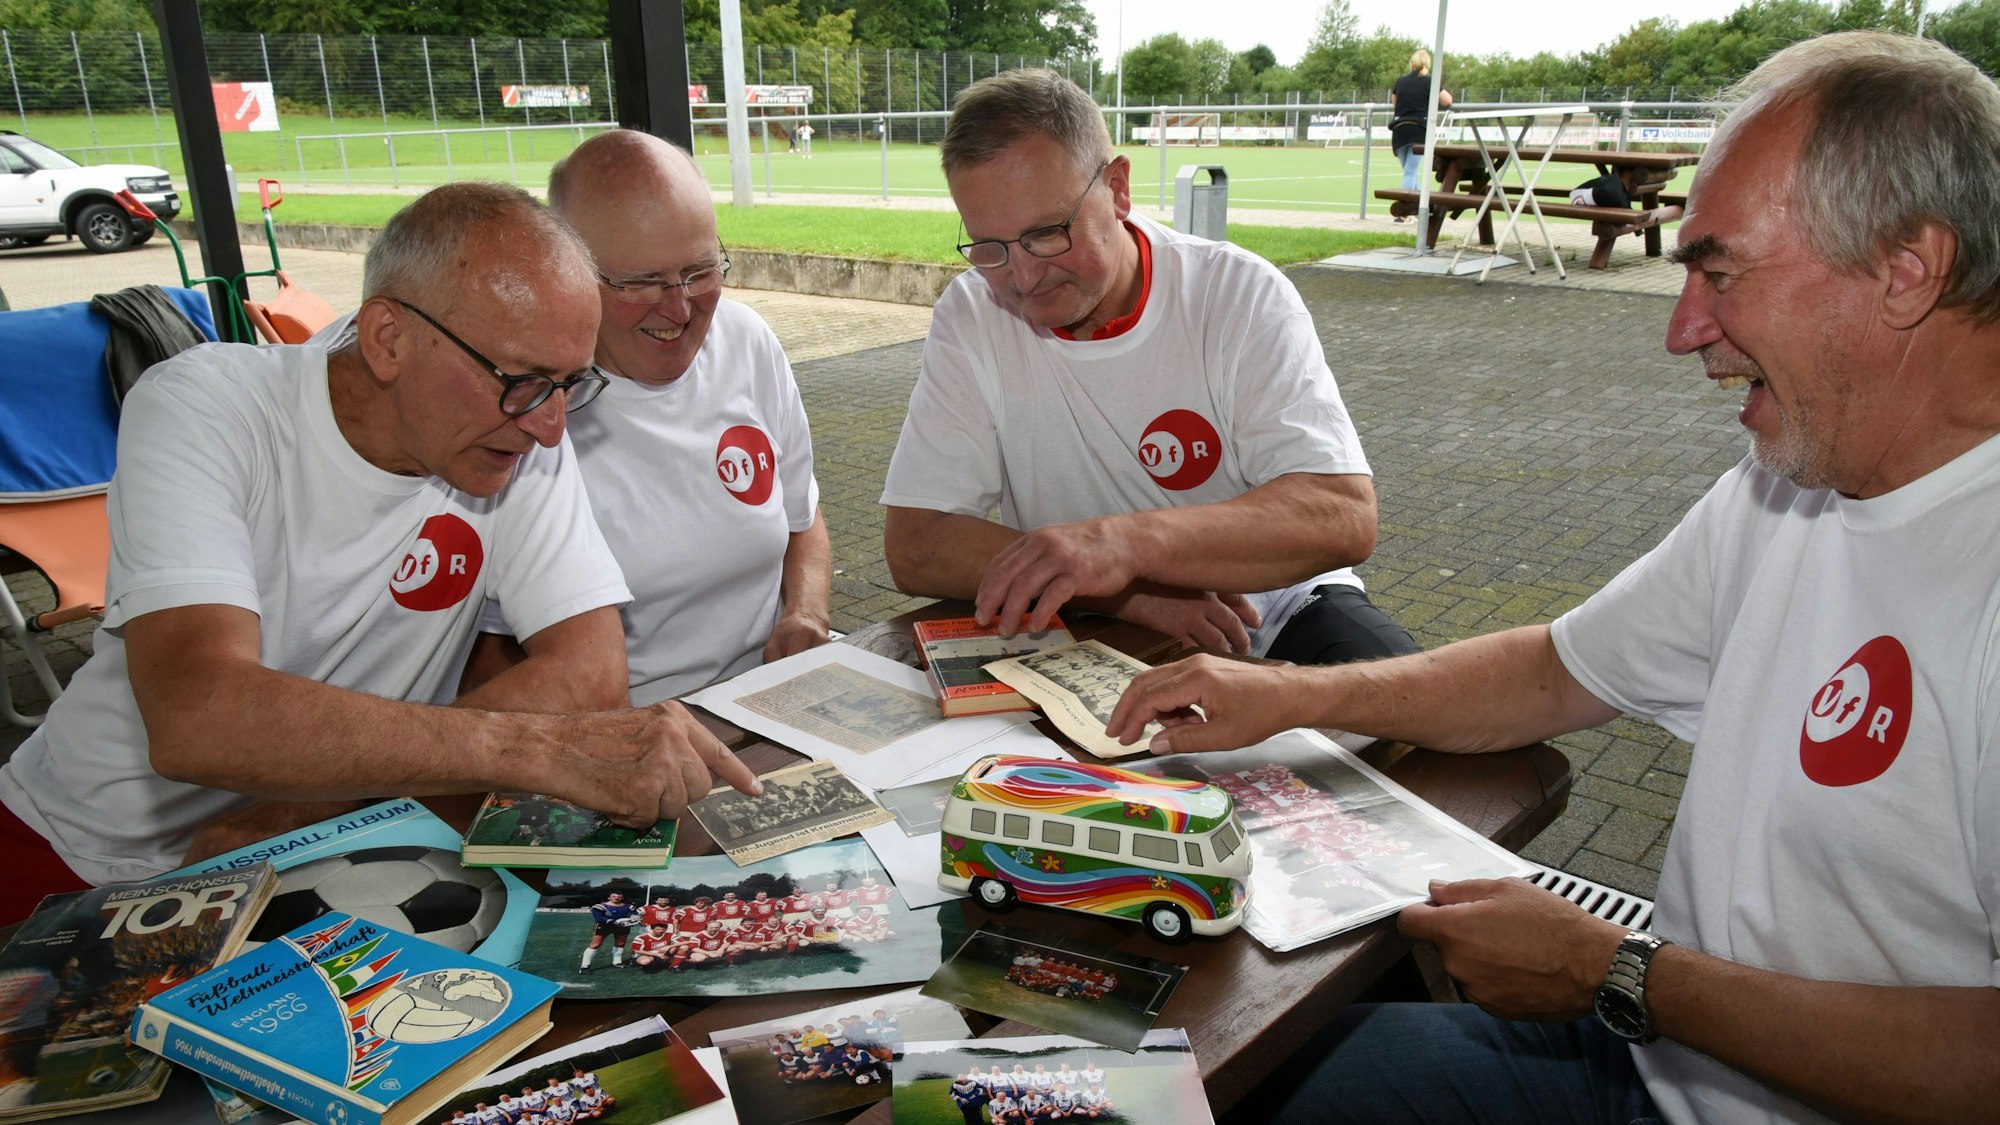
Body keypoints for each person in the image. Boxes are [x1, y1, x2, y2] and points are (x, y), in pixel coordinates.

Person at [1108, 30, 2000, 1125]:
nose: (1682, 332)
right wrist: (1285, 697)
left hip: (1659, 1029)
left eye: (1718, 270)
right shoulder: (1785, 486)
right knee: (1210, 1083)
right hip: (1655, 1060)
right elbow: (1548, 671)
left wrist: (1619, 973)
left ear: (1905, 271)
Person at [0, 183, 761, 920]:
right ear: (388, 338)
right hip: (83, 855)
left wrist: (312, 806)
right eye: (525, 381)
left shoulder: (518, 430)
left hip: (331, 844)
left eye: (570, 383)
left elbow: (589, 669)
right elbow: (199, 713)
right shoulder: (205, 404)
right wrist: (530, 746)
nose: (553, 427)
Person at [882, 69, 1413, 665]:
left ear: (1118, 188)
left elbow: (1342, 516)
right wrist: (1123, 594)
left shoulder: (1237, 293)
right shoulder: (973, 312)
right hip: (1092, 624)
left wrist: (1122, 547)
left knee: (1421, 718)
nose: (1024, 279)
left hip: (1282, 611)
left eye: (1048, 233)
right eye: (990, 248)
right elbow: (917, 544)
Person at [466, 129, 831, 709]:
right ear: (569, 274)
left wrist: (806, 613)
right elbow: (487, 653)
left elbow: (800, 517)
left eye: (700, 271)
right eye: (640, 283)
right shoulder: (520, 412)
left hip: (770, 702)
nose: (680, 307)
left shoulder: (746, 340)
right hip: (627, 730)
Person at [1389, 49, 1452, 200]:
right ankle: (1404, 210)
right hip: (1419, 129)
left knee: (1408, 172)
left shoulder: (1400, 81)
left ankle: (1414, 208)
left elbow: (1394, 103)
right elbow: (1447, 101)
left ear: (1412, 64)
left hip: (1399, 130)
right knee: (1410, 172)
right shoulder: (1430, 81)